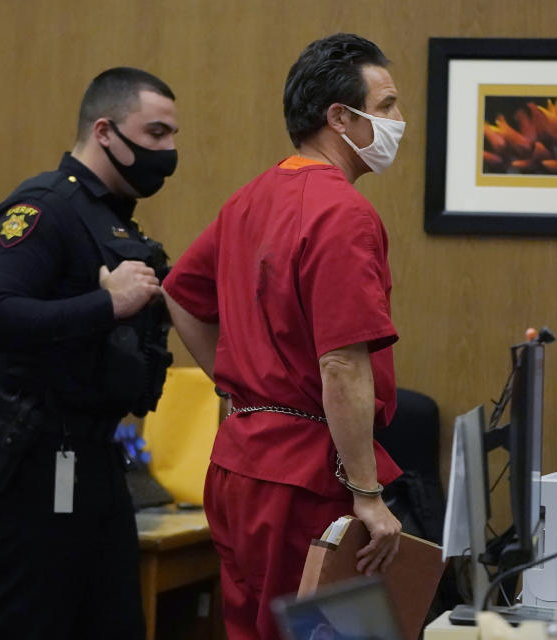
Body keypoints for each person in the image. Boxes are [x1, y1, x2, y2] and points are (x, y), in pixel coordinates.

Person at [162, 33, 406, 640]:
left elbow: (180, 294)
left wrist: (240, 383)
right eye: (387, 106)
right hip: (307, 477)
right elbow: (343, 366)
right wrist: (367, 494)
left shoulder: (250, 199)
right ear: (340, 118)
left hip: (238, 462)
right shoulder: (342, 212)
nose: (399, 122)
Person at [0, 67, 179, 640]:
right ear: (104, 131)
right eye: (155, 133)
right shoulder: (43, 208)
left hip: (94, 458)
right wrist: (105, 305)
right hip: (29, 457)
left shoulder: (112, 220)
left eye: (173, 136)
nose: (169, 150)